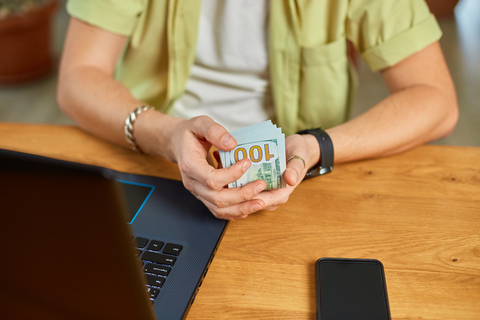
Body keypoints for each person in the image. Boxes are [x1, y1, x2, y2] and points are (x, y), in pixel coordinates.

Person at [57, 0, 458, 220]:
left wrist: (317, 146)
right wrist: (166, 136)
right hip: (155, 162)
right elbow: (78, 77)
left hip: (299, 184)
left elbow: (436, 100)